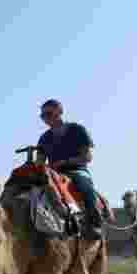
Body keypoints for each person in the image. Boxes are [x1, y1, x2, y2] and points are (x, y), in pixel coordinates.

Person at [35, 99, 102, 240]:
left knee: (85, 187)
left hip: (77, 171)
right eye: (43, 116)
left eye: (49, 113)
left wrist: (65, 162)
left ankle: (94, 225)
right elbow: (39, 163)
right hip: (53, 175)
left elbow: (87, 157)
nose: (45, 118)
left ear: (60, 112)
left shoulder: (77, 130)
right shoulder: (44, 138)